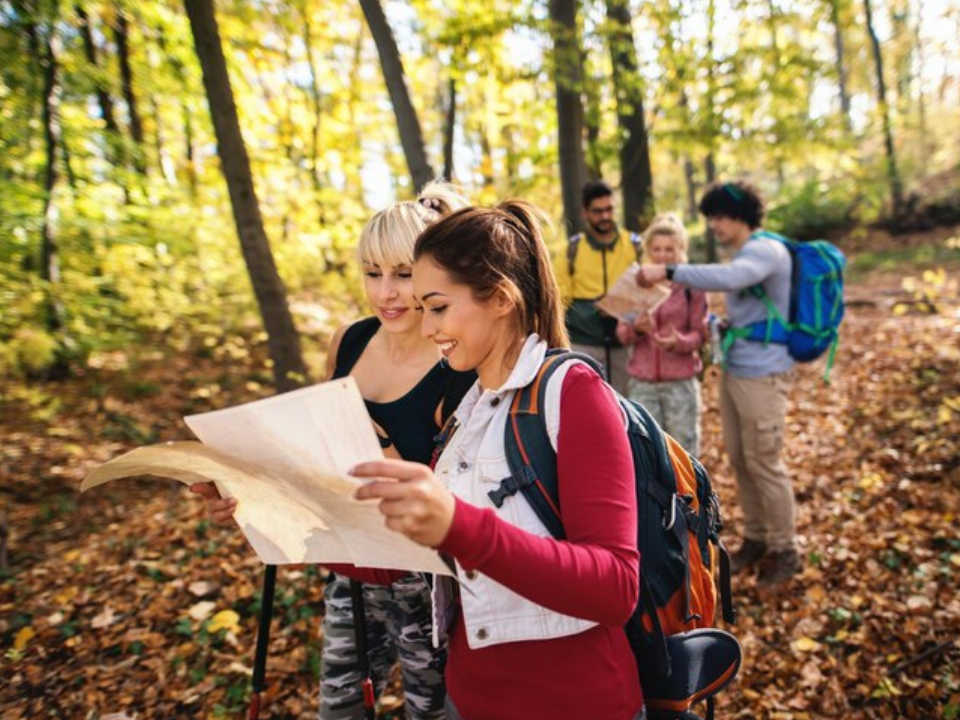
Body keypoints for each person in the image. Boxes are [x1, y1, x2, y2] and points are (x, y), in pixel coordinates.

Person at [346, 201, 644, 720]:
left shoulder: (573, 393)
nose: (427, 325)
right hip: (471, 701)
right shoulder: (470, 410)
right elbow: (412, 556)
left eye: (437, 307)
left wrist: (460, 525)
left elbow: (616, 586)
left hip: (576, 703)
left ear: (500, 297)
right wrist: (265, 508)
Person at [193, 182, 475, 720]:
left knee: (431, 711)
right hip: (349, 570)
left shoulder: (454, 361)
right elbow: (315, 468)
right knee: (340, 709)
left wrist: (380, 444)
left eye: (402, 273)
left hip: (423, 582)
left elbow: (456, 492)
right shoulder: (347, 341)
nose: (386, 293)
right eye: (373, 274)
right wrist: (244, 493)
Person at [635, 180, 799, 587]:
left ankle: (786, 549)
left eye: (717, 218)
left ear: (737, 215)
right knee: (742, 459)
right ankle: (757, 538)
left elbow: (732, 278)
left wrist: (668, 270)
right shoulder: (745, 252)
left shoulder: (764, 250)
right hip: (738, 370)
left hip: (764, 374)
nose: (713, 226)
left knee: (764, 460)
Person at [615, 213, 708, 455]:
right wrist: (637, 328)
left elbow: (701, 333)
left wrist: (680, 342)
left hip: (680, 383)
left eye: (670, 249)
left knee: (685, 453)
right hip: (642, 385)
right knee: (648, 455)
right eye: (657, 249)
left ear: (681, 250)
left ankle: (690, 495)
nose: (663, 255)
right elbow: (622, 334)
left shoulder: (691, 284)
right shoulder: (635, 283)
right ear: (648, 250)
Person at [554, 180, 639, 395]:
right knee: (586, 402)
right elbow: (557, 301)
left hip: (625, 345)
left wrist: (618, 307)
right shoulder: (571, 250)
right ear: (585, 213)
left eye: (609, 209)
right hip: (584, 345)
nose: (605, 216)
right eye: (597, 211)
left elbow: (648, 292)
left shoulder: (634, 245)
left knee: (626, 408)